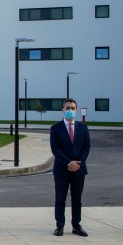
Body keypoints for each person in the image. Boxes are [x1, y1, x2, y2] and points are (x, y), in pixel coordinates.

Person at [50, 99, 91, 237]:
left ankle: (76, 225)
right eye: (68, 108)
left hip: (79, 170)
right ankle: (60, 225)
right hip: (62, 169)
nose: (70, 110)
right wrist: (68, 163)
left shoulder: (83, 128)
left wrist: (78, 163)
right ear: (63, 109)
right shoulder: (55, 128)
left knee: (77, 199)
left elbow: (86, 147)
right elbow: (56, 149)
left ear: (77, 110)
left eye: (73, 108)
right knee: (60, 198)